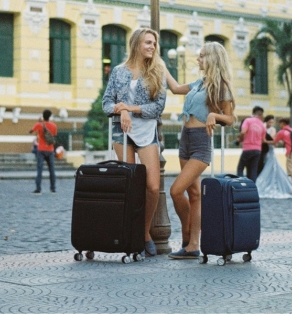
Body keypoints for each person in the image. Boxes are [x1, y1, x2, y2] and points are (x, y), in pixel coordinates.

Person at [165, 41, 236, 259]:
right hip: (185, 139)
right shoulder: (199, 83)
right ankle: (193, 246)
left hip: (201, 143)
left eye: (202, 56)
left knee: (176, 190)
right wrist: (160, 65)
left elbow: (231, 119)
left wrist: (214, 116)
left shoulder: (221, 86)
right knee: (194, 194)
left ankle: (187, 233)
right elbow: (176, 88)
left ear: (213, 58)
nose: (198, 59)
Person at [102, 28, 166, 257]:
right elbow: (106, 102)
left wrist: (130, 108)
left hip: (147, 132)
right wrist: (121, 112)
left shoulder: (157, 71)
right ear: (137, 43)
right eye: (148, 42)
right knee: (131, 185)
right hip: (122, 132)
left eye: (154, 43)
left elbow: (158, 108)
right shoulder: (119, 72)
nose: (152, 46)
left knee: (152, 186)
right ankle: (129, 234)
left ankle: (145, 231)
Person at [29, 109, 57, 194]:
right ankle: (53, 189)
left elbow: (30, 131)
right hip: (50, 150)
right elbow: (54, 135)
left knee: (39, 169)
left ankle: (38, 189)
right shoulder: (53, 125)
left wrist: (39, 122)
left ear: (43, 116)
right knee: (52, 170)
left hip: (41, 149)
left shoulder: (39, 124)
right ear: (50, 116)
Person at [236, 106, 266, 183]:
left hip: (247, 148)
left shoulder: (248, 120)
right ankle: (252, 187)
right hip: (257, 150)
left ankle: (241, 185)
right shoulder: (262, 125)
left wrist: (239, 139)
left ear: (253, 113)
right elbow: (263, 140)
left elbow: (243, 132)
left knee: (240, 168)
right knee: (253, 169)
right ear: (260, 115)